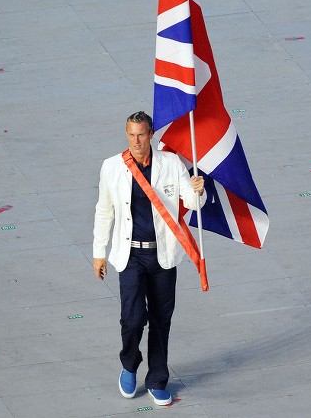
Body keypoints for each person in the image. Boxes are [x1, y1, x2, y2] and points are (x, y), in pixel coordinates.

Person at [93, 111, 206, 406]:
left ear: (151, 134)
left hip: (163, 256)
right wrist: (98, 252)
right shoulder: (112, 167)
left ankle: (157, 379)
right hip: (130, 255)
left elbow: (191, 203)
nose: (135, 141)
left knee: (160, 320)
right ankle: (129, 364)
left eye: (141, 135)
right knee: (131, 319)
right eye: (130, 135)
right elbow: (105, 210)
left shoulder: (171, 164)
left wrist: (198, 191)